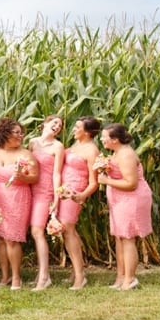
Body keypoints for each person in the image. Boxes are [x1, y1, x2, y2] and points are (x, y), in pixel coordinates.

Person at [98, 123, 153, 291]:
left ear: (115, 140)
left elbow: (131, 183)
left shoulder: (126, 155)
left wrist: (106, 181)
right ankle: (121, 277)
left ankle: (130, 279)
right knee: (120, 236)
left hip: (131, 199)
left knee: (128, 237)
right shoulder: (116, 153)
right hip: (119, 200)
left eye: (104, 137)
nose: (101, 139)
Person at [0, 118, 38, 290]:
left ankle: (16, 278)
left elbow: (35, 177)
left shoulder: (25, 155)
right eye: (16, 132)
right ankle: (5, 276)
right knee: (0, 238)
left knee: (11, 239)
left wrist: (23, 177)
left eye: (21, 132)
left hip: (17, 197)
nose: (20, 136)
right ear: (5, 133)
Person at [57, 116, 101, 290]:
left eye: (78, 127)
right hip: (63, 190)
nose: (74, 129)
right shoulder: (76, 145)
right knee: (68, 231)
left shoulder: (91, 150)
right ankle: (75, 272)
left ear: (88, 132)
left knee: (68, 229)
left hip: (74, 191)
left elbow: (94, 182)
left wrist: (82, 195)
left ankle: (80, 277)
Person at [28, 115, 64, 291]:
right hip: (30, 190)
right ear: (45, 123)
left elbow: (57, 173)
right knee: (35, 232)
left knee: (37, 230)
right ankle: (41, 274)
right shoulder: (32, 143)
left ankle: (44, 276)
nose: (56, 126)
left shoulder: (58, 146)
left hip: (45, 191)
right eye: (54, 123)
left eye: (60, 125)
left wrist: (56, 198)